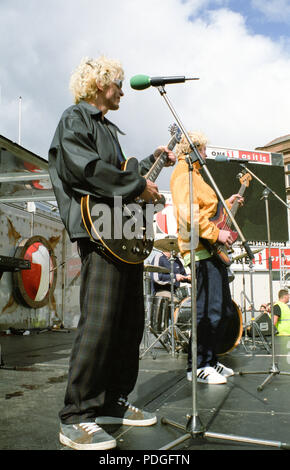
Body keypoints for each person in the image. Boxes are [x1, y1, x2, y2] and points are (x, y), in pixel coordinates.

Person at [48, 55, 176, 450]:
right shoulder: (76, 119)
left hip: (120, 234)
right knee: (100, 324)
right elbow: (85, 170)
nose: (122, 91)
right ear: (99, 84)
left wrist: (152, 165)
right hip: (97, 233)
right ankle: (77, 415)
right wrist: (138, 186)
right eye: (117, 84)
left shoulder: (109, 129)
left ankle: (113, 403)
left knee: (128, 324)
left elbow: (123, 171)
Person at [170, 131, 243, 385]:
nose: (204, 153)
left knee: (222, 309)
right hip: (199, 249)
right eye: (201, 149)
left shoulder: (197, 174)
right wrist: (216, 234)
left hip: (209, 247)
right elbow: (189, 214)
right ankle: (197, 365)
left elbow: (205, 209)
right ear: (189, 148)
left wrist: (225, 204)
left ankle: (210, 361)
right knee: (208, 310)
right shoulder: (184, 172)